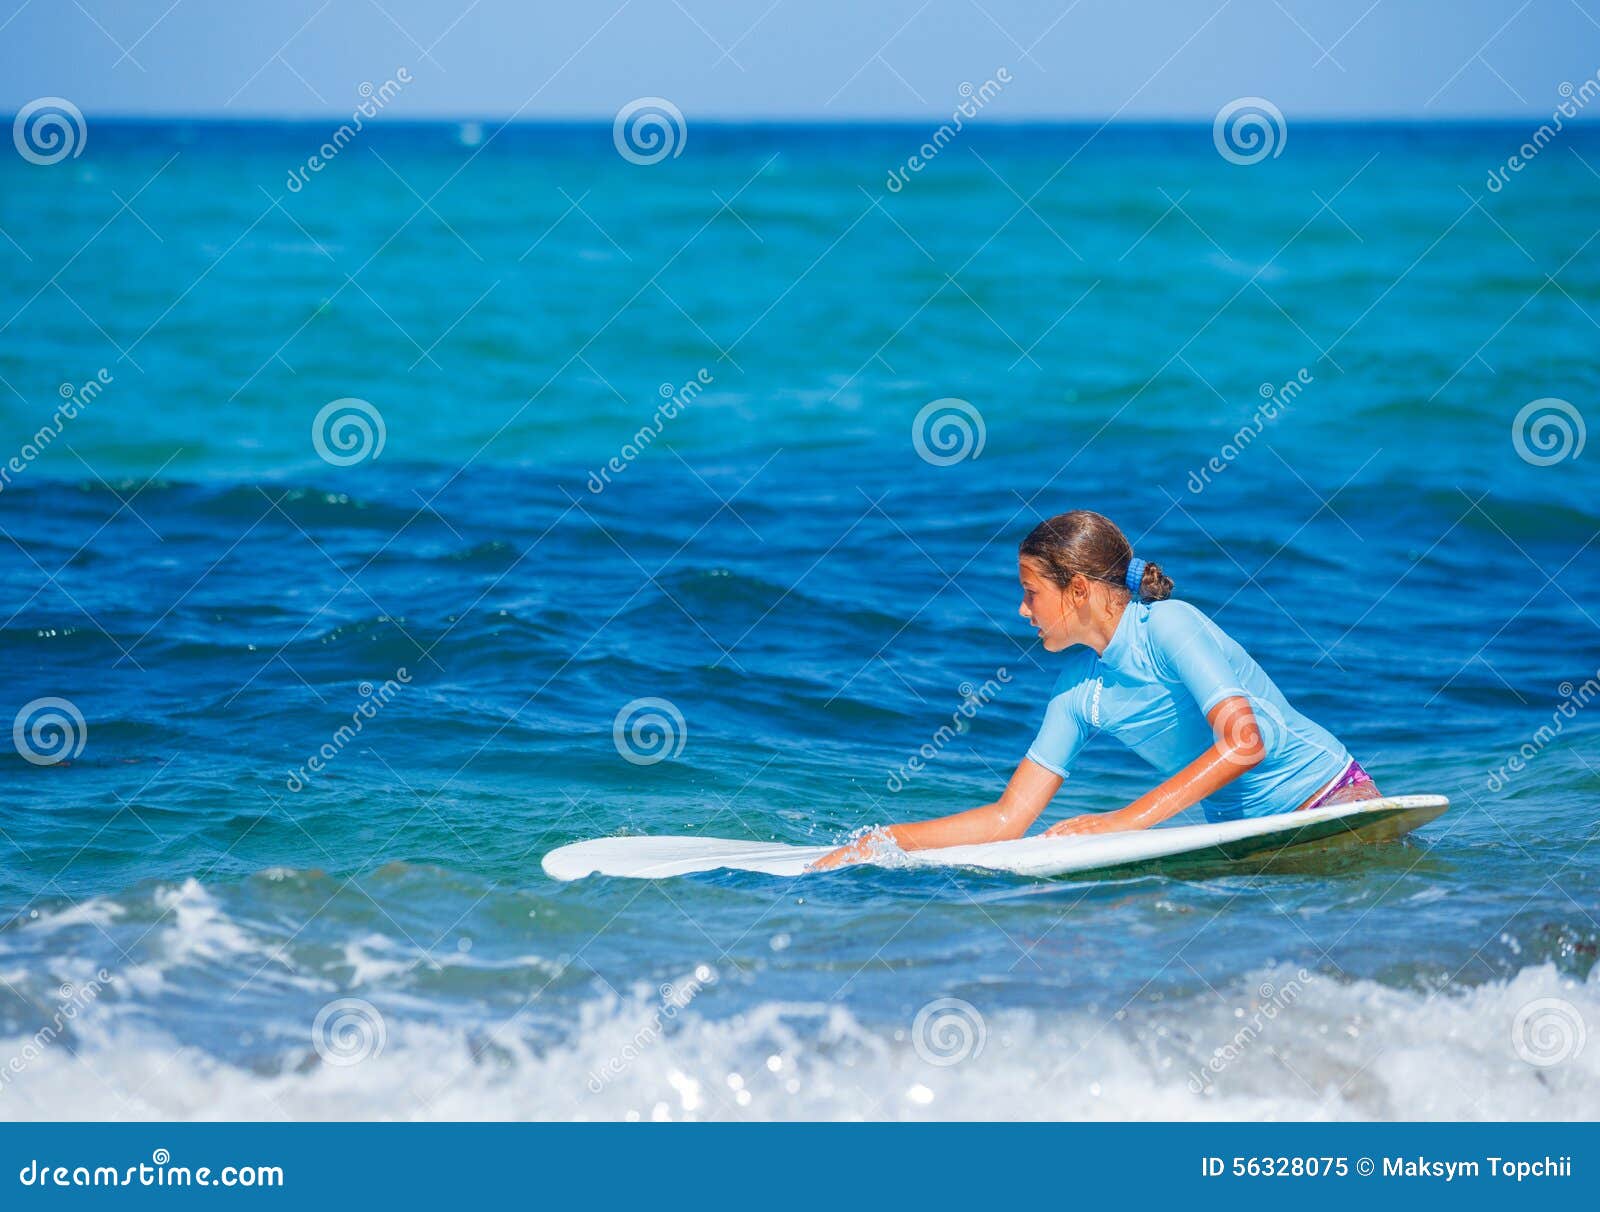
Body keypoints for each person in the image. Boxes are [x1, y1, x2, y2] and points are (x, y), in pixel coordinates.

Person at [811, 510, 1380, 870]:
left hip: (1332, 799)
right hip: (1246, 841)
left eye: (1032, 592)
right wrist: (883, 844)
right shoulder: (1077, 690)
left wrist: (1124, 820)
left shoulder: (1169, 625)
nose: (1022, 608)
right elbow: (1009, 819)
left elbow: (1244, 741)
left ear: (1078, 589)